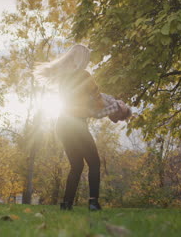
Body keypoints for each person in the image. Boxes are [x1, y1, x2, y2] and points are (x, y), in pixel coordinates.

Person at [35, 44, 131, 211]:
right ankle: (93, 202)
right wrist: (117, 107)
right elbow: (99, 105)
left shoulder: (63, 78)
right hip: (76, 124)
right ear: (82, 60)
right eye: (87, 59)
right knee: (94, 163)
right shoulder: (85, 76)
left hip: (62, 125)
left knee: (77, 166)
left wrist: (111, 104)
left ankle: (66, 204)